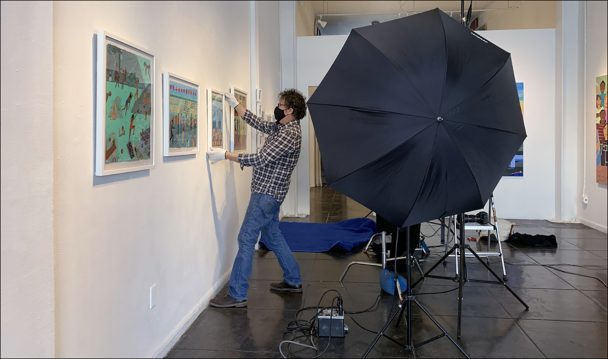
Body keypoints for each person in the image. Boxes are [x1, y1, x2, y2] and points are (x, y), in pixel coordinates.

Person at [206, 89, 307, 308]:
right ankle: (293, 279)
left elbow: (260, 158)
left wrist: (225, 155)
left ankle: (237, 294)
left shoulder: (289, 135)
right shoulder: (284, 127)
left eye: (280, 106)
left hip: (266, 195)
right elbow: (261, 124)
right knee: (272, 235)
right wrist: (235, 105)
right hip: (271, 193)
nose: (277, 109)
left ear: (290, 110)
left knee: (246, 238)